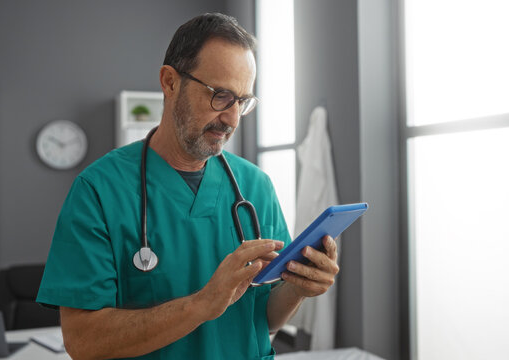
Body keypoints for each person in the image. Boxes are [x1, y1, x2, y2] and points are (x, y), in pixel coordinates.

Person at [36, 13, 340, 360]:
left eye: (242, 101)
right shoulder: (98, 191)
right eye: (221, 96)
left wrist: (298, 289)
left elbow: (262, 319)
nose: (232, 119)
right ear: (169, 82)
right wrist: (201, 305)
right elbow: (83, 342)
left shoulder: (256, 187)